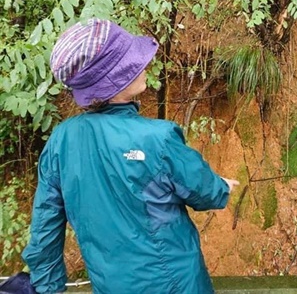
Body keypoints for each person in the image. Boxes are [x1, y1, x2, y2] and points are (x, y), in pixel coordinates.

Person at [22, 18, 239, 294]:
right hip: (178, 285)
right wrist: (221, 186)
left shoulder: (60, 141)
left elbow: (44, 230)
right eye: (131, 63)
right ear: (112, 81)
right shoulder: (158, 138)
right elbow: (204, 191)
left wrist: (48, 287)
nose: (143, 64)